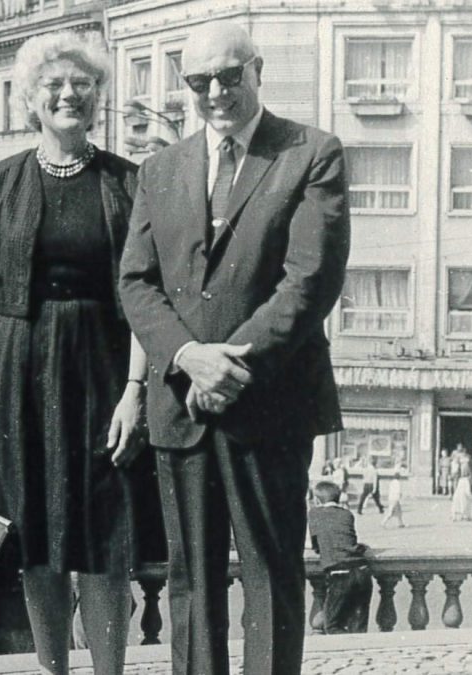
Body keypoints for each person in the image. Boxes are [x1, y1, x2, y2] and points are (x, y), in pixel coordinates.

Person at [119, 20, 350, 675]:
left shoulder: (311, 153)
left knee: (271, 579)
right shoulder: (159, 170)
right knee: (189, 582)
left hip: (269, 403)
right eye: (199, 81)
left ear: (257, 70)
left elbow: (311, 280)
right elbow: (135, 281)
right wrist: (188, 356)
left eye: (230, 75)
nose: (216, 91)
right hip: (182, 406)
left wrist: (229, 363)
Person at [0, 31, 150, 675]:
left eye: (81, 85)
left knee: (105, 538)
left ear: (97, 99)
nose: (68, 95)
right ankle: (53, 670)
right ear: (30, 101)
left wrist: (135, 391)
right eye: (53, 86)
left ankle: (110, 671)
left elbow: (145, 294)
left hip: (102, 373)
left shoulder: (128, 181)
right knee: (35, 537)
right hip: (15, 375)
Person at [308, 481, 372, 634]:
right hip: (362, 571)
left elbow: (316, 546)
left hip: (340, 574)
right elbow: (348, 540)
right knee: (358, 626)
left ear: (317, 501)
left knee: (332, 626)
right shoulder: (347, 514)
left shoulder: (314, 514)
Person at [381, 462, 407, 529]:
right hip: (395, 499)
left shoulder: (392, 482)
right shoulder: (398, 483)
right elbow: (398, 492)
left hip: (391, 498)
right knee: (391, 512)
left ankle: (401, 523)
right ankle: (383, 522)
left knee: (399, 512)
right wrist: (400, 497)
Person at [451, 452, 472, 522]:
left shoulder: (464, 465)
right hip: (463, 481)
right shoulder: (463, 465)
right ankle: (462, 514)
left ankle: (461, 514)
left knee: (462, 498)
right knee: (462, 498)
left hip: (463, 481)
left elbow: (456, 475)